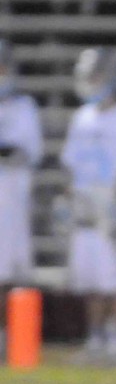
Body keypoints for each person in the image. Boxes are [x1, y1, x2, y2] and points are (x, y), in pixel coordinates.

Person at [60, 47, 116, 363]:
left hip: (112, 206)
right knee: (91, 282)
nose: (93, 82)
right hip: (85, 208)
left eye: (98, 76)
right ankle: (96, 338)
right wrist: (67, 198)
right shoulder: (81, 118)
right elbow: (72, 166)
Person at [0, 40, 43, 360]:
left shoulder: (23, 107)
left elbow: (28, 152)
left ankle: (11, 338)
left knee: (10, 276)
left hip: (11, 205)